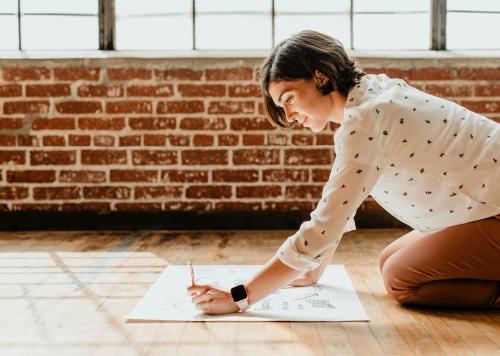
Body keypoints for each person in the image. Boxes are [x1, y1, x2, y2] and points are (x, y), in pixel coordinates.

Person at [187, 30, 500, 314]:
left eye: (289, 99)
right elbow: (344, 202)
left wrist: (239, 296)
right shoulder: (372, 92)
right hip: (486, 206)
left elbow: (327, 221)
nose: (291, 116)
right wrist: (312, 268)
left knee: (401, 279)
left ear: (320, 77)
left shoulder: (364, 122)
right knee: (388, 261)